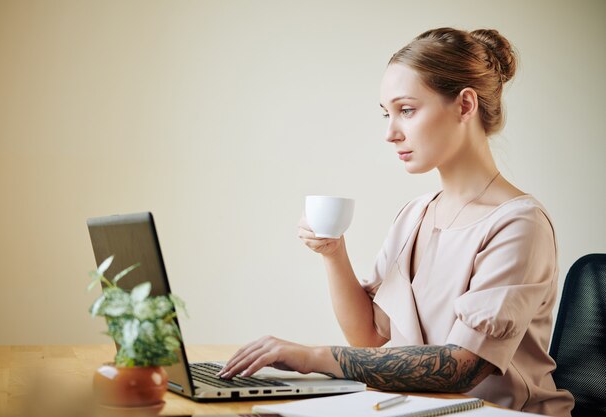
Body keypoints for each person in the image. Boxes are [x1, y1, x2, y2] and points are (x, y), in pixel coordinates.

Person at [217, 27, 575, 416]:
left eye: (406, 110)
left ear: (465, 105)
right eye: (387, 114)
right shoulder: (414, 215)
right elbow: (369, 337)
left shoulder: (520, 225)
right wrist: (334, 253)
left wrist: (312, 357)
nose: (390, 133)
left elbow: (460, 368)